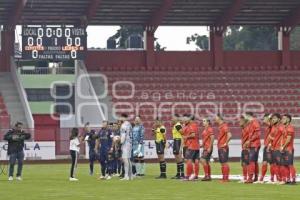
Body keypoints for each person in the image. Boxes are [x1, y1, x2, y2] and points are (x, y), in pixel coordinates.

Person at [267, 113, 285, 184]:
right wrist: (270, 144)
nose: (273, 119)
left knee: (280, 164)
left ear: (279, 119)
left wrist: (282, 145)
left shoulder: (281, 127)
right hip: (273, 148)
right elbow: (271, 137)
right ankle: (278, 179)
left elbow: (285, 136)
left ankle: (283, 179)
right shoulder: (273, 127)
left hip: (278, 148)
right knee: (275, 164)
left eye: (274, 118)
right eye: (272, 118)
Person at [244, 112, 261, 184]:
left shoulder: (255, 122)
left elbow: (258, 134)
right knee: (254, 161)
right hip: (252, 144)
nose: (245, 118)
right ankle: (256, 177)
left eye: (245, 116)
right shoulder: (250, 123)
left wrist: (249, 141)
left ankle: (250, 178)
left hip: (255, 144)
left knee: (251, 161)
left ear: (248, 116)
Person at [280, 114, 296, 185]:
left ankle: (293, 180)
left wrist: (283, 146)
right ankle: (288, 179)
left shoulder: (290, 128)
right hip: (284, 148)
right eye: (282, 118)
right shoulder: (284, 128)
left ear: (288, 120)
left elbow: (288, 139)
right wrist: (281, 146)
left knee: (290, 164)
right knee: (285, 165)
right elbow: (282, 138)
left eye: (284, 119)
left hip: (289, 149)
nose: (282, 120)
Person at [183, 115, 200, 181]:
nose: (184, 120)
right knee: (196, 161)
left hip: (191, 145)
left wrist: (186, 137)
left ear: (189, 119)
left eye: (185, 119)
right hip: (196, 145)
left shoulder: (191, 125)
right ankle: (195, 176)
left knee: (188, 160)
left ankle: (188, 176)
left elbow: (193, 135)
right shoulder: (195, 125)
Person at [215, 114, 232, 183]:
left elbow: (230, 135)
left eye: (216, 117)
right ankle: (224, 177)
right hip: (220, 147)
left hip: (223, 147)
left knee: (224, 162)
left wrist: (225, 143)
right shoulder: (221, 126)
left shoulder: (224, 126)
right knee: (222, 163)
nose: (215, 119)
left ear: (219, 118)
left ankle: (226, 178)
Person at [257, 113, 273, 183]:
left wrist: (270, 144)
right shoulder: (268, 126)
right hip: (266, 145)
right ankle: (261, 179)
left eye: (264, 118)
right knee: (264, 162)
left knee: (271, 163)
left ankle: (272, 179)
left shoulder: (271, 125)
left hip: (270, 146)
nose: (263, 120)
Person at [120, 113, 133, 181]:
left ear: (124, 117)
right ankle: (130, 176)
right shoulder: (129, 124)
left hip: (126, 143)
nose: (120, 119)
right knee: (128, 159)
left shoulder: (124, 125)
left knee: (125, 159)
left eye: (121, 117)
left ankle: (126, 176)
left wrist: (120, 142)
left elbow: (123, 135)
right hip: (130, 142)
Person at [171, 114, 184, 179]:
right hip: (175, 141)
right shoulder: (176, 125)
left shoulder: (178, 125)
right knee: (177, 158)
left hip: (178, 141)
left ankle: (182, 174)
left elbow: (182, 133)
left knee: (179, 157)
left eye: (173, 118)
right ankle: (178, 174)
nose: (172, 119)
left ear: (176, 118)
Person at [239, 116, 250, 183]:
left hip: (247, 148)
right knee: (243, 163)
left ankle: (248, 178)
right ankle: (245, 177)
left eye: (241, 121)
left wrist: (248, 144)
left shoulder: (248, 129)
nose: (239, 122)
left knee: (246, 163)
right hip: (243, 148)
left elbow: (250, 137)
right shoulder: (243, 129)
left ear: (244, 121)